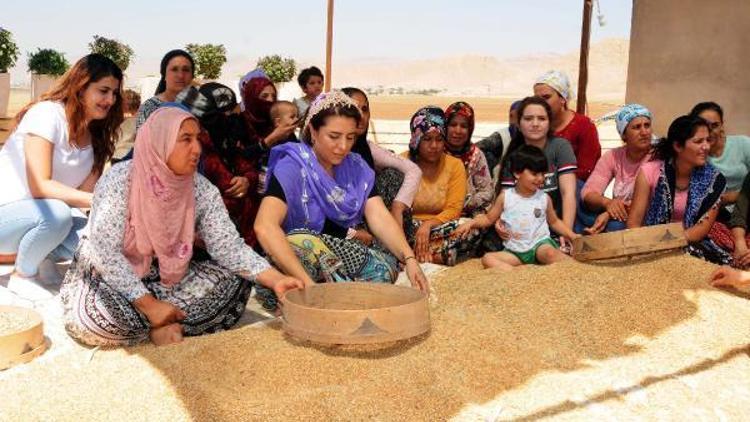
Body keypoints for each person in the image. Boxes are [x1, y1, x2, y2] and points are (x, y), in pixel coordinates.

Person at [60, 107, 304, 347]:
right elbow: (105, 253)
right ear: (159, 142)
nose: (197, 149)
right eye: (185, 140)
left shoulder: (200, 188)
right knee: (97, 321)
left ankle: (161, 320)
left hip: (171, 277)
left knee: (237, 283)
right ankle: (159, 320)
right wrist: (148, 304)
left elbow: (228, 247)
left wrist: (276, 280)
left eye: (198, 139)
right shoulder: (119, 180)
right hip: (113, 276)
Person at [254, 91, 428, 299]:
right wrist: (309, 285)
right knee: (303, 244)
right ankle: (325, 291)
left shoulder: (356, 167)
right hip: (297, 260)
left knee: (384, 270)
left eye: (350, 137)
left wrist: (409, 258)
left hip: (337, 252)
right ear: (313, 131)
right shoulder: (292, 166)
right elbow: (264, 226)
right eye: (334, 137)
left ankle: (336, 292)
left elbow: (379, 216)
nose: (343, 147)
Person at [0, 54, 123, 303]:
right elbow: (40, 186)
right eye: (103, 91)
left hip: (42, 220)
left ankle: (40, 257)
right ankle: (23, 275)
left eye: (115, 93)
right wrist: (103, 199)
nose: (110, 100)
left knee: (97, 239)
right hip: (8, 217)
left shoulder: (96, 137)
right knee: (56, 214)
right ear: (81, 86)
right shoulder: (47, 114)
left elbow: (82, 202)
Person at [456, 145, 580, 270]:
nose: (540, 178)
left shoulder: (543, 198)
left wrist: (572, 235)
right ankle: (517, 276)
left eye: (543, 174)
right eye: (534, 173)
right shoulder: (506, 197)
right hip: (515, 252)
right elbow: (489, 219)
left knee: (550, 253)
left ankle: (577, 268)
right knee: (488, 259)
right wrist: (471, 223)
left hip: (539, 246)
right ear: (517, 173)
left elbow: (554, 222)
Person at [627, 115, 730, 264]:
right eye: (698, 141)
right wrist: (646, 246)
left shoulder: (714, 181)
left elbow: (700, 230)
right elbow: (634, 223)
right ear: (678, 146)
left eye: (708, 140)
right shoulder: (649, 172)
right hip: (648, 242)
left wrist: (668, 244)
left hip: (690, 244)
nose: (706, 146)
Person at [177, 83, 262, 249]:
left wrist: (246, 180)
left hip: (242, 227)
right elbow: (221, 179)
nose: (231, 118)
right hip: (205, 231)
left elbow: (245, 166)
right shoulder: (197, 141)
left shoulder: (226, 137)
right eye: (226, 112)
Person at [402, 106, 479, 266]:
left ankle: (416, 254)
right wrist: (416, 229)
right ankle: (434, 255)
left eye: (439, 139)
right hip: (407, 227)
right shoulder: (401, 162)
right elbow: (396, 210)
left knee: (470, 229)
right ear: (416, 139)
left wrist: (428, 225)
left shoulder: (454, 165)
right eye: (427, 139)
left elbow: (454, 209)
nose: (434, 145)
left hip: (438, 227)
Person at [500, 96, 578, 250]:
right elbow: (505, 199)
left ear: (550, 123)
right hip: (522, 229)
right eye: (528, 119)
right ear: (519, 123)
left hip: (557, 223)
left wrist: (567, 233)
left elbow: (568, 192)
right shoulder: (514, 155)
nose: (535, 124)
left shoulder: (560, 147)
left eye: (541, 119)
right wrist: (500, 223)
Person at [342, 87, 422, 232]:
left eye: (365, 109)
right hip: (340, 228)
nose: (361, 115)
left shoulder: (367, 149)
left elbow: (413, 170)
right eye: (352, 108)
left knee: (393, 175)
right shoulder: (328, 152)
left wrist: (398, 207)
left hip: (373, 219)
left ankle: (397, 238)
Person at [577, 104, 653, 234]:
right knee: (576, 188)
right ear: (624, 135)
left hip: (641, 218)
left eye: (647, 125)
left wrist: (608, 214)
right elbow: (588, 192)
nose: (644, 132)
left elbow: (649, 203)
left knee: (615, 227)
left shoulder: (657, 157)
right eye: (636, 127)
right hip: (616, 214)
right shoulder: (613, 156)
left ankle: (590, 233)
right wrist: (607, 203)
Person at [533, 70, 600, 182]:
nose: (540, 103)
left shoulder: (584, 126)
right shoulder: (534, 126)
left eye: (546, 97)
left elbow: (586, 170)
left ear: (562, 98)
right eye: (536, 99)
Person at [689, 101, 750, 215]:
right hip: (717, 213)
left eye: (715, 125)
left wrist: (736, 196)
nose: (710, 131)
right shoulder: (694, 154)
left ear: (722, 125)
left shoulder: (743, 143)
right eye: (704, 125)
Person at [443, 101, 494, 217]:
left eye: (464, 126)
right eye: (453, 125)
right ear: (445, 126)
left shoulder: (476, 155)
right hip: (436, 212)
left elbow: (487, 191)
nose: (458, 131)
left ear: (470, 129)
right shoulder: (435, 152)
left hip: (468, 215)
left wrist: (462, 204)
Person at [136, 49, 195, 130]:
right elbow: (141, 140)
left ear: (192, 76)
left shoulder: (201, 107)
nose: (181, 75)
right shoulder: (149, 107)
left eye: (186, 70)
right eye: (174, 69)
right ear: (164, 75)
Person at [477, 100, 522, 182]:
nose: (513, 120)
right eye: (511, 116)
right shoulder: (501, 137)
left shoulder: (533, 137)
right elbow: (476, 150)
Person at [112, 89, 140, 162]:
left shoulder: (131, 121)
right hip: (126, 156)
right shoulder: (124, 119)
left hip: (123, 156)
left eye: (121, 102)